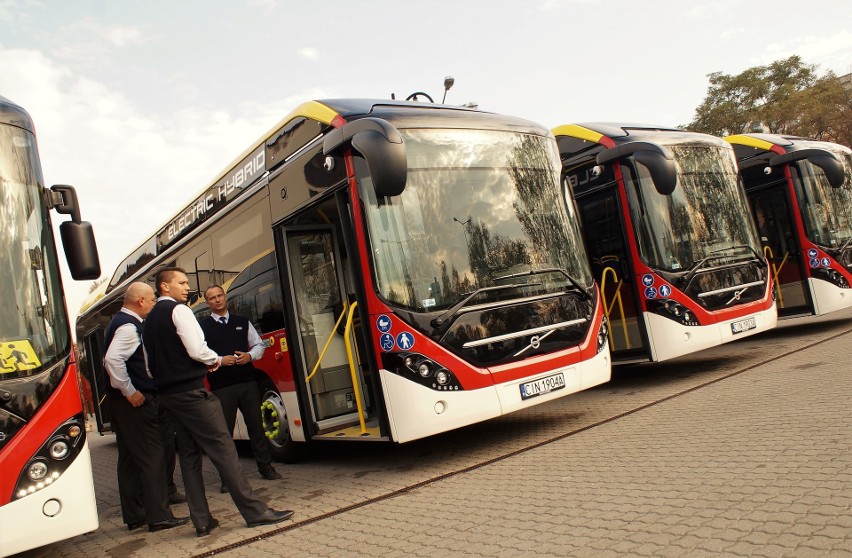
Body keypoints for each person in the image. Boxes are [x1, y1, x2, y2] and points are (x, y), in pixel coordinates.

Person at [142, 267, 294, 537]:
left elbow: (149, 366)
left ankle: (202, 520)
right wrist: (216, 361)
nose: (187, 287)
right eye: (182, 282)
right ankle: (255, 512)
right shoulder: (179, 311)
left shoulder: (149, 319)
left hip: (168, 395)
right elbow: (197, 349)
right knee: (224, 449)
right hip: (191, 393)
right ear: (165, 287)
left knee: (189, 455)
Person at [103, 282, 190, 532]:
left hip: (121, 405)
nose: (153, 304)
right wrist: (131, 391)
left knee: (130, 460)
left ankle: (135, 514)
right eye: (152, 300)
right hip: (135, 403)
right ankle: (159, 516)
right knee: (153, 457)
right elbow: (112, 360)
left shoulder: (116, 322)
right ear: (141, 301)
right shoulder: (130, 327)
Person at [199, 285, 281, 494]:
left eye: (219, 296)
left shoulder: (242, 322)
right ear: (207, 303)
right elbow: (198, 355)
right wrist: (218, 360)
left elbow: (259, 346)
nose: (217, 300)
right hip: (221, 387)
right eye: (212, 298)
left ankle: (266, 467)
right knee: (224, 434)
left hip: (247, 383)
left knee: (257, 426)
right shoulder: (202, 327)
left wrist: (249, 356)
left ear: (224, 297)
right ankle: (228, 478)